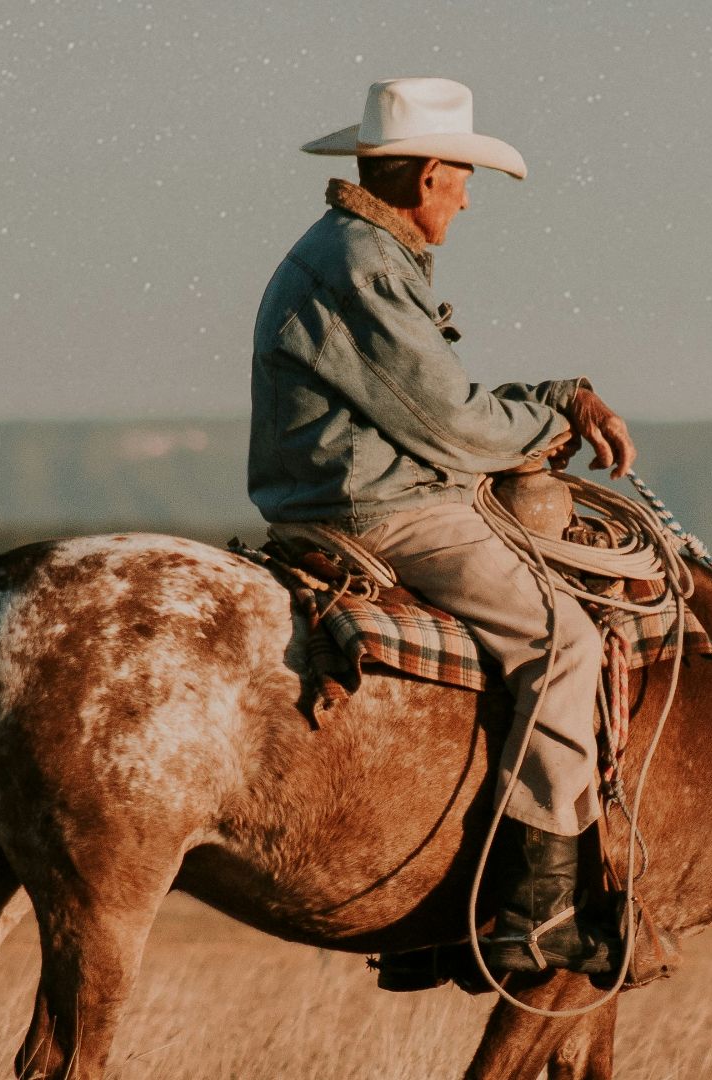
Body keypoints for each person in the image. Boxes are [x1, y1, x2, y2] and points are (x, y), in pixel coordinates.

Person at [248, 77, 638, 975]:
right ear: (428, 175)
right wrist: (552, 426)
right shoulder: (363, 263)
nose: (467, 197)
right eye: (463, 177)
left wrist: (551, 398)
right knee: (566, 645)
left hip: (361, 493)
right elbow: (451, 426)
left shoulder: (352, 253)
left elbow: (432, 401)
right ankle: (536, 911)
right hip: (385, 510)